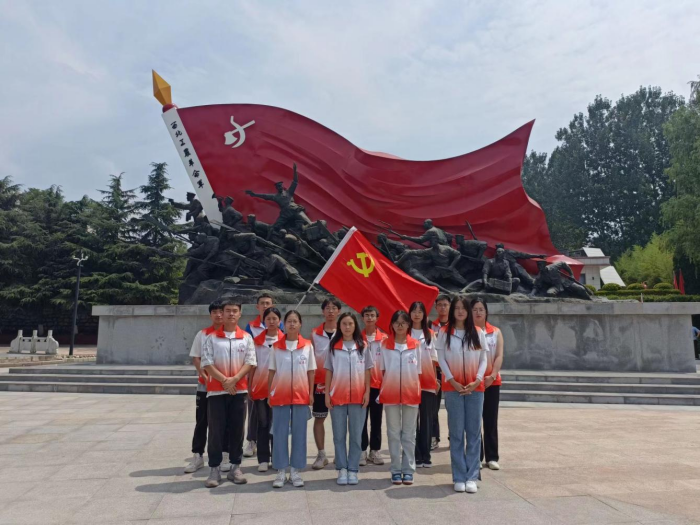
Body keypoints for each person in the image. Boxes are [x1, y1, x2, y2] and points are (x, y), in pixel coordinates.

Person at [201, 300, 257, 488]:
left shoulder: (246, 338)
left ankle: (235, 467)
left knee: (237, 429)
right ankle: (214, 468)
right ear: (222, 314)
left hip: (239, 391)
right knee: (215, 431)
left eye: (235, 311)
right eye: (227, 311)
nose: (231, 314)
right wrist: (225, 381)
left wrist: (235, 379)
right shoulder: (211, 338)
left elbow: (250, 362)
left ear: (240, 314)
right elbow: (207, 362)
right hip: (216, 392)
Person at [436, 295, 487, 494]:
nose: (460, 311)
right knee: (456, 433)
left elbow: (483, 359)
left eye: (463, 308)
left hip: (475, 389)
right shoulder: (444, 332)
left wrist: (477, 380)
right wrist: (452, 381)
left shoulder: (478, 332)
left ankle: (471, 476)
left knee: (473, 432)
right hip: (453, 389)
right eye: (456, 308)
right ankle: (458, 476)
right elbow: (441, 358)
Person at [268, 310, 316, 488]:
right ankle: (281, 470)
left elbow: (311, 371)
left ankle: (296, 470)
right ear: (284, 324)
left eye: (295, 321)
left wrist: (310, 394)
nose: (292, 324)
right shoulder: (276, 346)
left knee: (299, 433)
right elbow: (271, 371)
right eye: (289, 321)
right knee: (279, 433)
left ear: (300, 324)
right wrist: (269, 393)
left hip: (301, 395)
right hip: (280, 394)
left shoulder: (307, 346)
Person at [325, 313, 372, 485]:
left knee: (356, 436)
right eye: (344, 323)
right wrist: (327, 394)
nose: (347, 327)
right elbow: (329, 370)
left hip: (358, 397)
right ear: (339, 326)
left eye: (350, 323)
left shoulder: (363, 346)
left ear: (355, 326)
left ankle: (353, 469)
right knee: (338, 435)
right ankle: (341, 468)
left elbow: (367, 370)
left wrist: (367, 392)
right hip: (337, 396)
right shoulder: (333, 346)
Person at [380, 310, 422, 485]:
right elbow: (382, 370)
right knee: (393, 433)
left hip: (411, 394)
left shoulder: (416, 345)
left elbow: (418, 371)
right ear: (392, 325)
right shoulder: (385, 345)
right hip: (390, 393)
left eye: (403, 322)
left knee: (409, 434)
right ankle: (396, 469)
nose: (400, 325)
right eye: (396, 322)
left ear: (408, 325)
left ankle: (408, 469)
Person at [184, 300, 225, 474]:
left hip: (225, 386)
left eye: (221, 311)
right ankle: (198, 455)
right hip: (205, 386)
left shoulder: (231, 335)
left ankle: (225, 455)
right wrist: (206, 377)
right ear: (210, 315)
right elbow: (196, 357)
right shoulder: (202, 334)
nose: (218, 315)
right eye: (215, 312)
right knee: (202, 421)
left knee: (225, 422)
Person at [244, 294, 285, 459]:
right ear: (257, 307)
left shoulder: (284, 334)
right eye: (262, 303)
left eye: (268, 303)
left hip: (279, 387)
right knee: (259, 418)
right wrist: (249, 384)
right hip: (259, 385)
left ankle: (276, 454)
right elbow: (251, 361)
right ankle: (253, 443)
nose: (272, 321)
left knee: (276, 422)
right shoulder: (251, 328)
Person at [471, 298, 503, 471]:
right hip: (473, 382)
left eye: (481, 309)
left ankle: (492, 457)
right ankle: (477, 456)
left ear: (486, 312)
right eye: (475, 309)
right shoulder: (467, 332)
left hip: (492, 382)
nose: (478, 312)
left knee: (490, 420)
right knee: (474, 421)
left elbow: (499, 355)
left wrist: (492, 375)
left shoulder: (495, 332)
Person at [310, 297, 341, 470]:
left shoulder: (344, 332)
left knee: (340, 420)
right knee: (319, 418)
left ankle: (340, 453)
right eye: (327, 308)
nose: (330, 311)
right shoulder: (315, 334)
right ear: (322, 311)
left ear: (339, 311)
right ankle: (321, 454)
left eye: (333, 308)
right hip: (320, 384)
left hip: (341, 383)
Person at [409, 302, 438, 468]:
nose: (417, 314)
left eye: (420, 311)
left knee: (426, 419)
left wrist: (435, 380)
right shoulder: (405, 334)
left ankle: (426, 455)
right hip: (410, 383)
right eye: (414, 311)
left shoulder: (431, 335)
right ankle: (416, 454)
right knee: (412, 420)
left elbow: (434, 360)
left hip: (427, 382)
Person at [360, 305, 387, 466]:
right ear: (362, 318)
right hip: (361, 386)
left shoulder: (384, 339)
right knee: (361, 420)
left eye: (372, 315)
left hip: (378, 385)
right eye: (367, 315)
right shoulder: (357, 338)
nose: (369, 318)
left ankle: (375, 450)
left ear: (377, 318)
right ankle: (362, 450)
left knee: (376, 419)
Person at [430, 294, 451, 450]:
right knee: (433, 406)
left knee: (453, 406)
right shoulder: (430, 326)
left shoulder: (456, 325)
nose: (443, 308)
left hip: (452, 370)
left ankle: (453, 436)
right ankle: (433, 436)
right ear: (436, 307)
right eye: (440, 305)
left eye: (445, 305)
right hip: (435, 369)